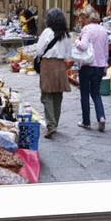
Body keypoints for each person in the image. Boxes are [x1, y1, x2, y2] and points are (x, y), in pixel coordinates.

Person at [35, 8, 72, 138]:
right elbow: (69, 54)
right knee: (58, 95)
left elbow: (39, 50)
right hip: (61, 65)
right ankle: (55, 123)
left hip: (48, 65)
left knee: (47, 95)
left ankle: (51, 124)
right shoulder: (66, 35)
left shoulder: (47, 32)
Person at [75, 5, 109, 132]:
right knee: (96, 93)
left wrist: (76, 42)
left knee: (84, 93)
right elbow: (106, 51)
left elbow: (83, 46)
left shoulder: (86, 29)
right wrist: (105, 65)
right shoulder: (103, 30)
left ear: (87, 18)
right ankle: (101, 117)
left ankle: (86, 121)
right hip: (100, 66)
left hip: (87, 65)